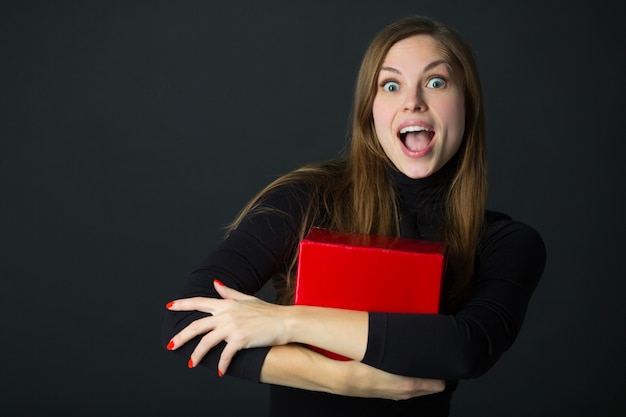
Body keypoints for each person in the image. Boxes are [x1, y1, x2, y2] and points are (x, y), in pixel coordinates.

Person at [162, 15, 546, 417]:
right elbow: (185, 321)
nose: (412, 101)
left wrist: (288, 322)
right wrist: (339, 379)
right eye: (391, 85)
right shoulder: (307, 199)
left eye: (436, 82)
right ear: (370, 111)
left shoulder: (507, 242)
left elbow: (465, 348)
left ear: (467, 102)